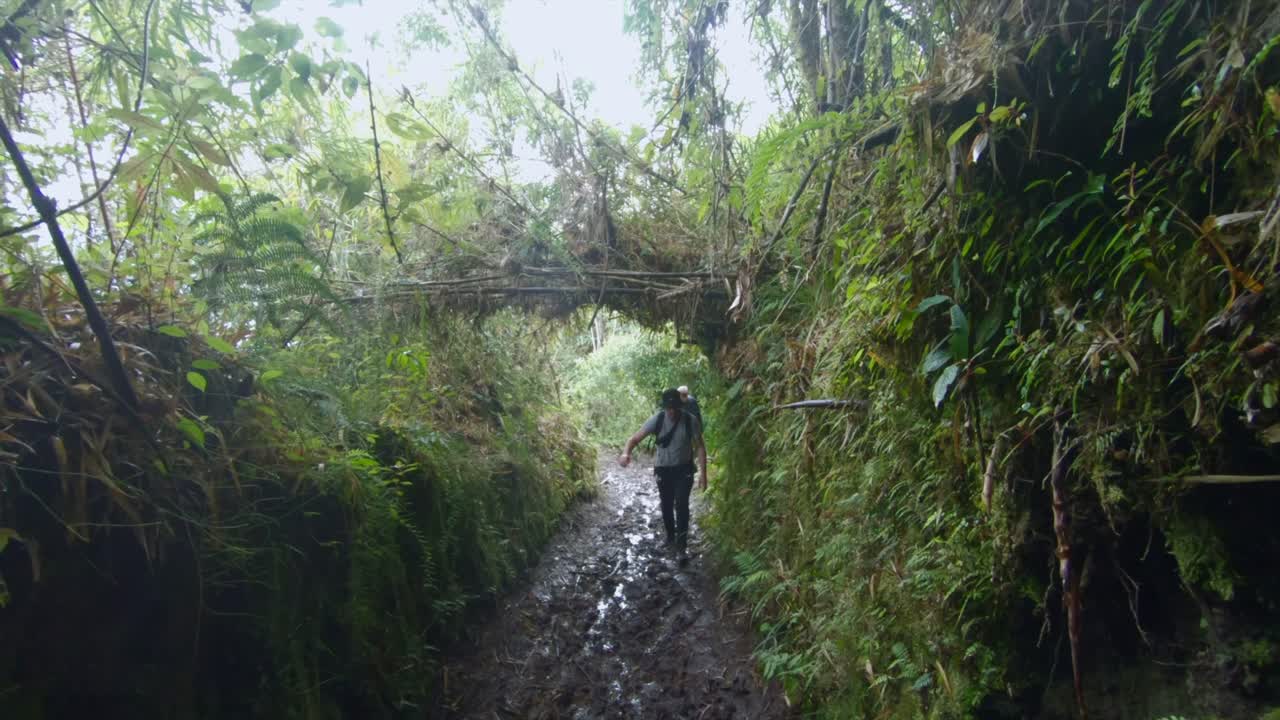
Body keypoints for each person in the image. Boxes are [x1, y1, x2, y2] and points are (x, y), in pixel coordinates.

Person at [620, 388, 708, 562]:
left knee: (682, 505)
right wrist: (626, 453)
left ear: (680, 406)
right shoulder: (658, 419)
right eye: (669, 408)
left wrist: (703, 475)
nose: (672, 411)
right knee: (666, 504)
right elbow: (634, 439)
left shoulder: (691, 421)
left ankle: (681, 547)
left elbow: (700, 447)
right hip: (663, 469)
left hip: (684, 470)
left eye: (675, 407)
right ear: (664, 407)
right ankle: (670, 538)